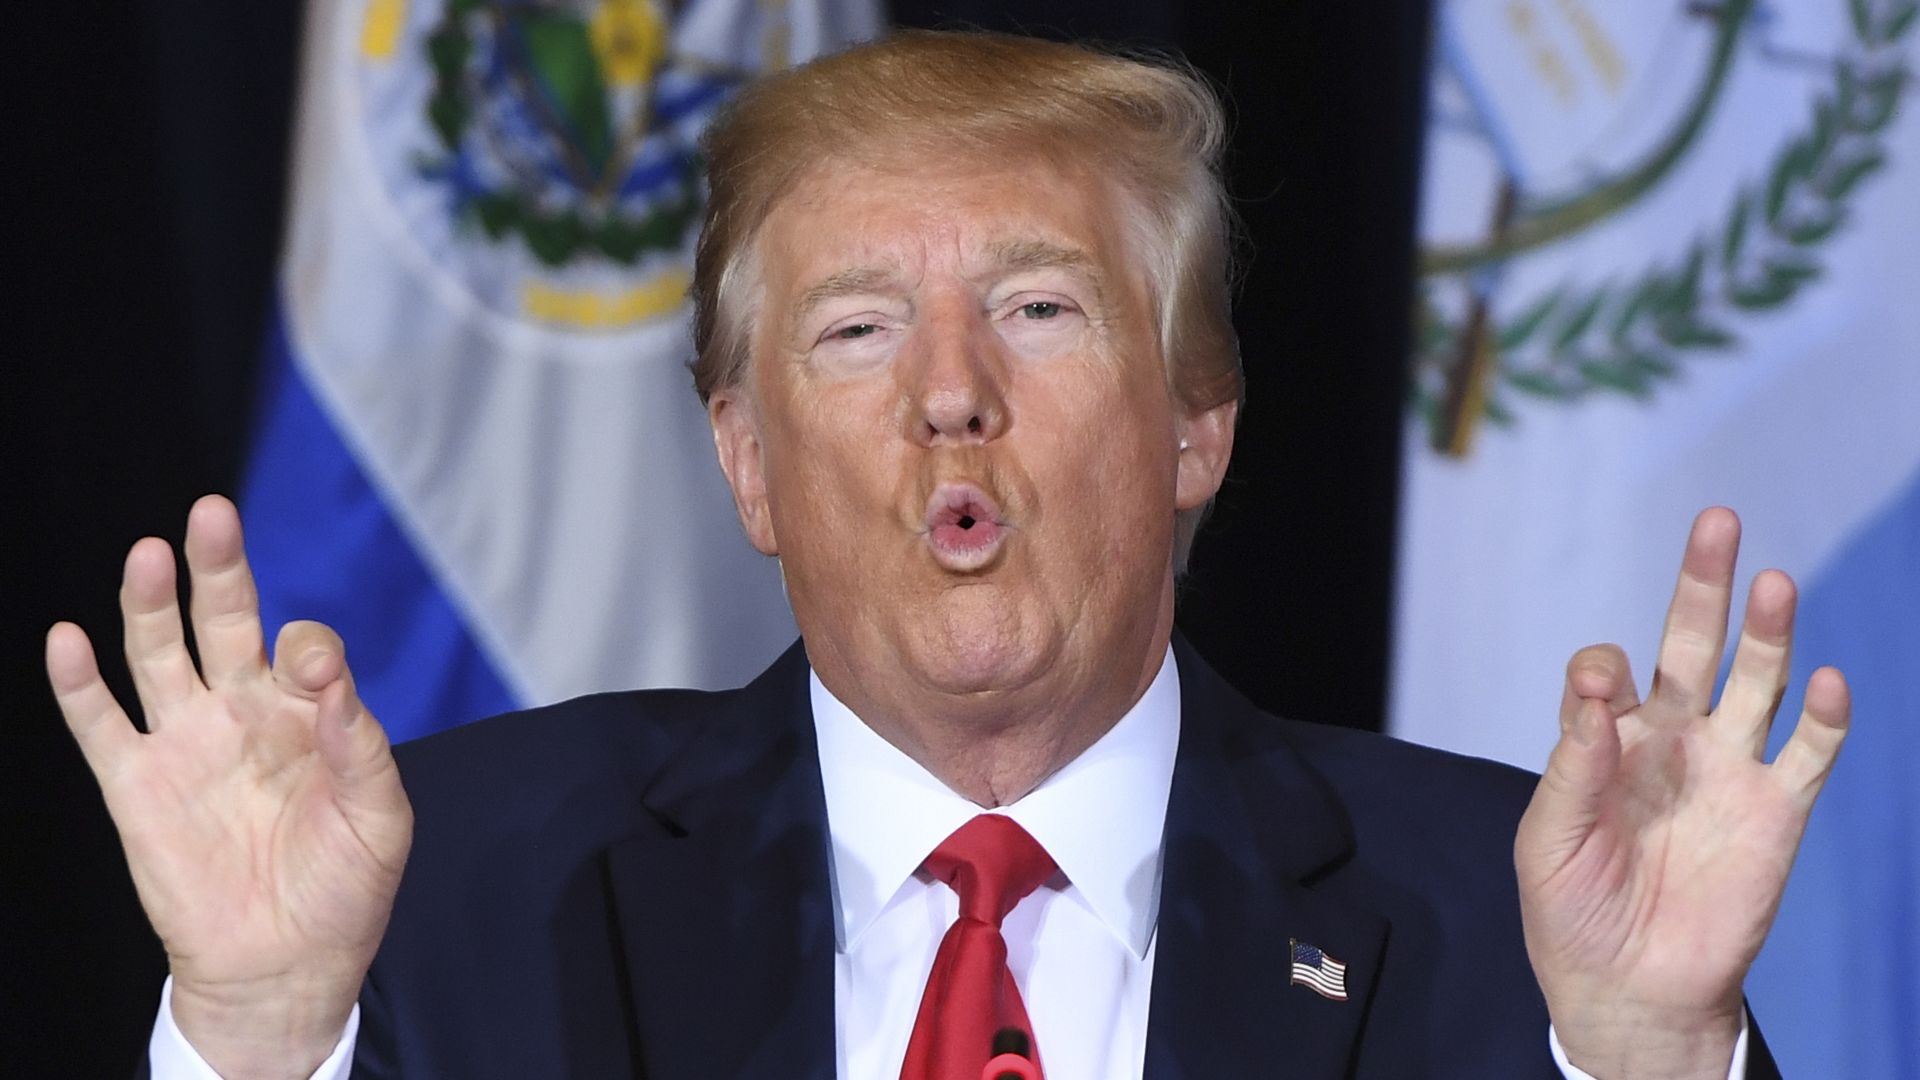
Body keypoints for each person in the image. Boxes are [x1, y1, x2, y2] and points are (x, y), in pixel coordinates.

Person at [47, 31, 1850, 1080]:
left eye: (1041, 308)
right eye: (852, 332)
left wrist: (1657, 1067)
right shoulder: (446, 898)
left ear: (1196, 425)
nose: (949, 399)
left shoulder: (1515, 921)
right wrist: (257, 1040)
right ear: (747, 462)